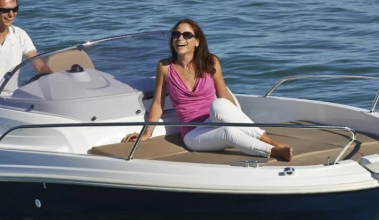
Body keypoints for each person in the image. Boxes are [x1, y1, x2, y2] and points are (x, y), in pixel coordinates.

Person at [122, 19, 293, 161]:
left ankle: (269, 141)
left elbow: (223, 94)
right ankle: (272, 151)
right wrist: (147, 132)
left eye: (186, 35)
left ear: (197, 41)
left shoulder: (211, 62)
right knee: (228, 132)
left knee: (219, 105)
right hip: (193, 134)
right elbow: (158, 104)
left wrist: (238, 119)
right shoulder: (165, 67)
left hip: (214, 118)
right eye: (176, 34)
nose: (180, 38)